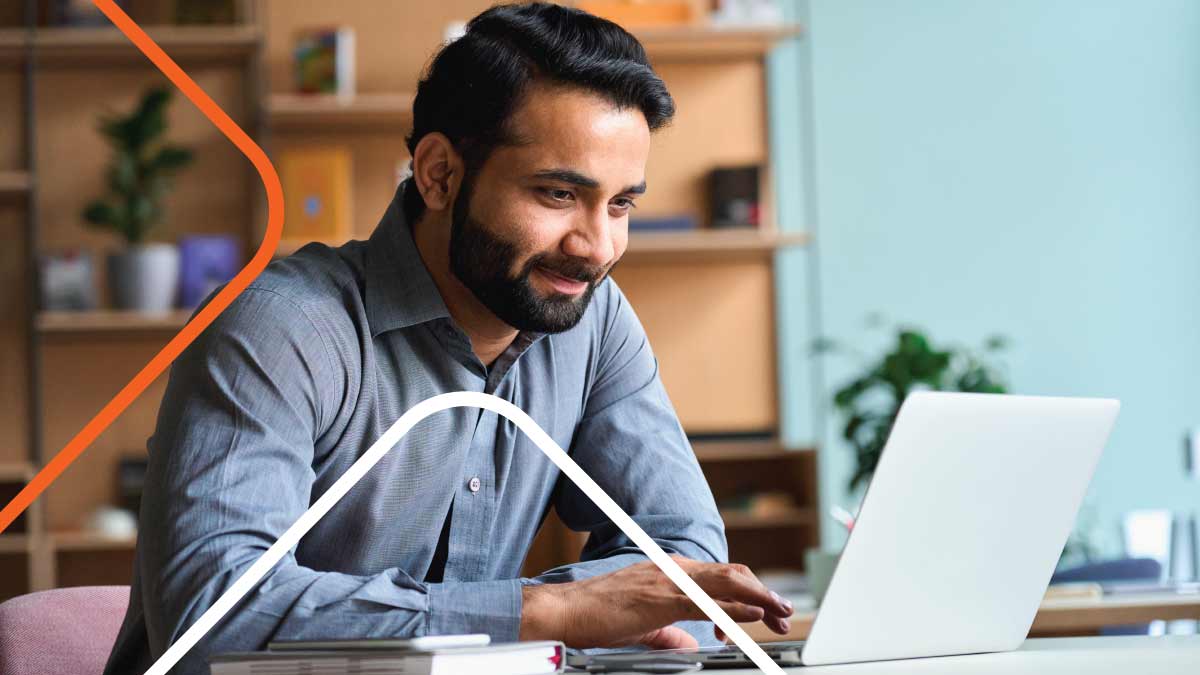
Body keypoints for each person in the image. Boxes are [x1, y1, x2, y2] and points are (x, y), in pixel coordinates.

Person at [103, 4, 792, 673]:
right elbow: (212, 612)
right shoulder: (280, 328)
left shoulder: (594, 319)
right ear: (439, 175)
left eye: (620, 204)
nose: (596, 246)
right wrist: (544, 612)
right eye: (557, 194)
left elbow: (684, 551)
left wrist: (584, 613)